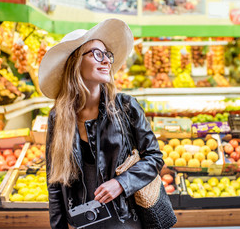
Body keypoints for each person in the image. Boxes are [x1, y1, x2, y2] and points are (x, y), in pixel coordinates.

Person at [38, 18, 164, 229]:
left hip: (127, 221)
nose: (106, 60)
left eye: (107, 55)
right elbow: (55, 183)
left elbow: (154, 158)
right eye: (97, 53)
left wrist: (121, 183)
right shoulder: (57, 117)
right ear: (76, 62)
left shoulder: (126, 106)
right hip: (83, 223)